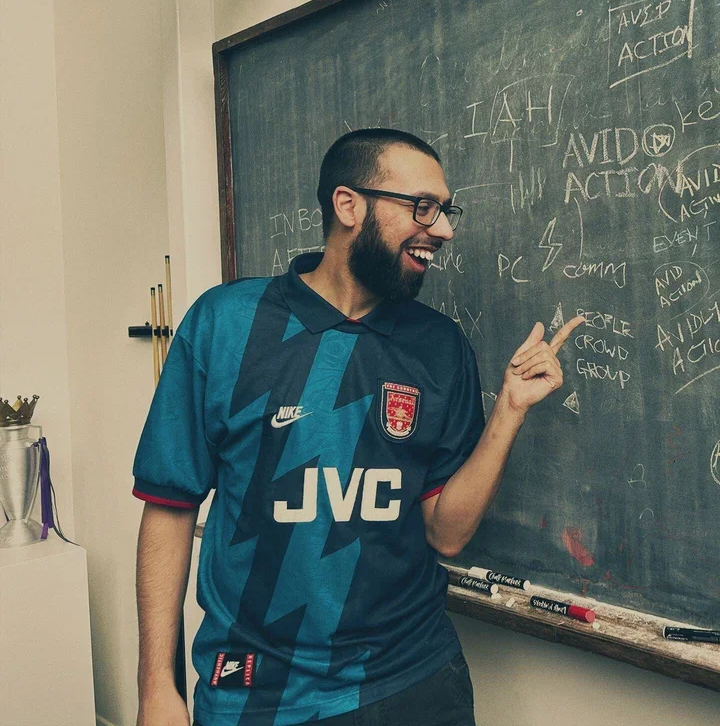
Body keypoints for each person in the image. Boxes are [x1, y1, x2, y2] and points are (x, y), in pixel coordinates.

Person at [133, 128, 584, 726]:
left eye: (447, 211)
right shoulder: (226, 326)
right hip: (262, 692)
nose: (443, 229)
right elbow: (169, 505)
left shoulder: (439, 347)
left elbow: (446, 535)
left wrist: (509, 411)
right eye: (422, 207)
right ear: (349, 206)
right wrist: (156, 690)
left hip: (413, 680)